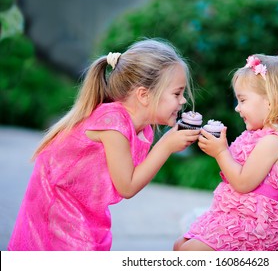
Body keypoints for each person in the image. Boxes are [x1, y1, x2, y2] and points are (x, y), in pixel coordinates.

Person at [8, 38, 200, 251]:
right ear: (144, 95)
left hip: (85, 208)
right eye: (177, 93)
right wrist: (165, 146)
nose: (183, 101)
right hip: (56, 208)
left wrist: (168, 144)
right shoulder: (113, 123)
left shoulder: (142, 126)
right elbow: (127, 186)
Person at [174, 54, 278, 251]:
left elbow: (243, 182)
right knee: (180, 245)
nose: (237, 108)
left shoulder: (273, 142)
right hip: (235, 217)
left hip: (257, 227)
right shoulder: (257, 134)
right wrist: (218, 148)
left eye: (242, 100)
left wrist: (221, 152)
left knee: (189, 252)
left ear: (271, 101)